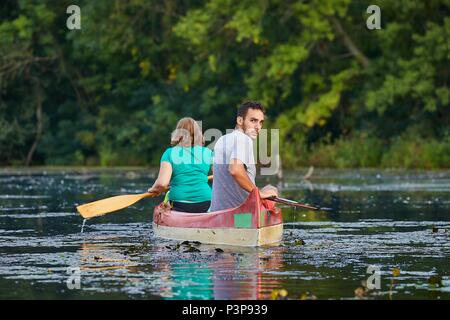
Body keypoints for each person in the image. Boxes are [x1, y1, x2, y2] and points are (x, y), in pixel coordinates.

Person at [210, 101, 278, 212]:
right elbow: (235, 170)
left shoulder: (222, 139)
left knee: (268, 189)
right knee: (272, 189)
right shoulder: (244, 139)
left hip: (217, 214)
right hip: (242, 217)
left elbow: (215, 168)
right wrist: (258, 193)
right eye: (253, 121)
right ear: (240, 120)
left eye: (261, 122)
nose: (258, 127)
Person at [147, 117, 213, 213]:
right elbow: (220, 176)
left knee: (165, 203)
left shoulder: (170, 153)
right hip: (206, 202)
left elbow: (162, 183)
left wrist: (153, 189)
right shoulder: (208, 152)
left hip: (180, 203)